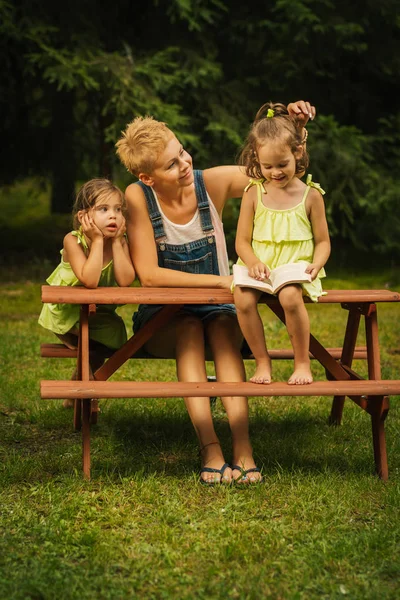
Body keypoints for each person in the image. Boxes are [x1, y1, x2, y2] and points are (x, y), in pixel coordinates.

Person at [115, 101, 314, 485]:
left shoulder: (213, 182)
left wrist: (295, 129)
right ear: (148, 177)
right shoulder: (138, 197)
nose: (185, 163)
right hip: (163, 318)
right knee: (189, 330)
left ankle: (243, 448)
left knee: (223, 331)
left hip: (221, 309)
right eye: (172, 164)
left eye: (182, 152)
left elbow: (278, 169)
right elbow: (151, 276)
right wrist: (223, 282)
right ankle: (211, 449)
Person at [233, 102, 331, 386]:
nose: (275, 172)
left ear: (297, 153)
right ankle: (263, 361)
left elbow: (323, 241)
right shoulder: (254, 192)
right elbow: (242, 241)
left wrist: (317, 263)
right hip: (259, 267)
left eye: (282, 164)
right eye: (267, 166)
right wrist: (253, 263)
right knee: (242, 298)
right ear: (256, 159)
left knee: (289, 296)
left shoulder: (311, 195)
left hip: (295, 267)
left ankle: (302, 362)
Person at [38, 178, 136, 406]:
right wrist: (98, 241)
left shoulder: (119, 242)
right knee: (90, 344)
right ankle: (88, 389)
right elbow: (90, 280)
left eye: (118, 210)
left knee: (112, 336)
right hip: (66, 312)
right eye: (103, 209)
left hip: (98, 313)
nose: (113, 216)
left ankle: (79, 388)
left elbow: (125, 281)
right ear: (84, 216)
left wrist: (118, 241)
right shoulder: (74, 241)